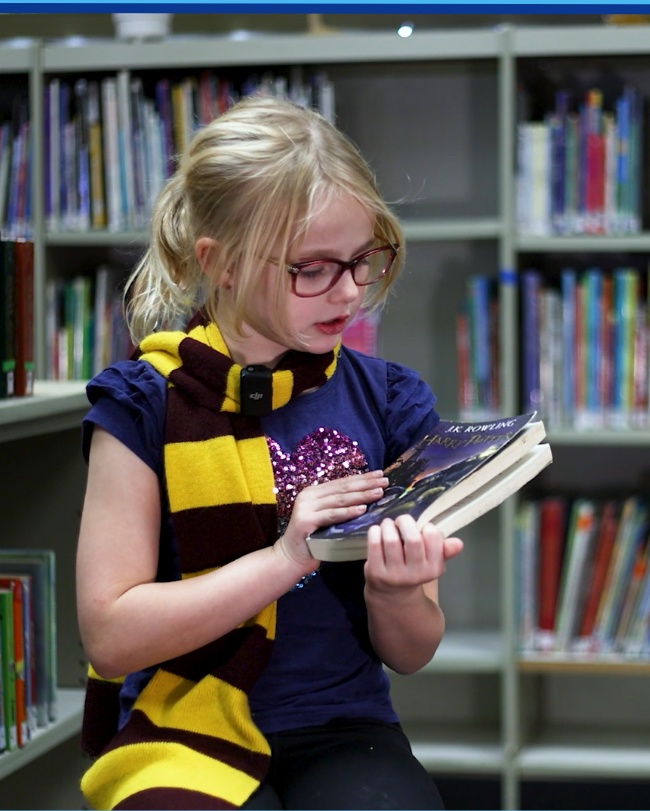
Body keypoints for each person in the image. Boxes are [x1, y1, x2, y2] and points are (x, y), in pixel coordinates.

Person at [76, 96, 464, 811]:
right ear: (218, 263)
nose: (348, 292)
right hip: (179, 721)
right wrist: (287, 559)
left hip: (342, 728)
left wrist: (396, 590)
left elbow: (411, 653)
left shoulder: (391, 400)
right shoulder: (140, 402)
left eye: (362, 262)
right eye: (311, 268)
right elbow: (112, 638)